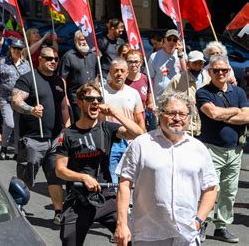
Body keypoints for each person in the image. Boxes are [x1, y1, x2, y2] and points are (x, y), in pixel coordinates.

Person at [115, 92, 219, 246]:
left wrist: (198, 221)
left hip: (187, 234)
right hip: (148, 234)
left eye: (182, 114)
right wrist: (122, 224)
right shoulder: (141, 144)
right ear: (159, 115)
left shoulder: (198, 148)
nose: (177, 118)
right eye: (171, 113)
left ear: (189, 118)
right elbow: (124, 183)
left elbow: (211, 188)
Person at [56, 82, 144, 246]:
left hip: (107, 197)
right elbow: (60, 170)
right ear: (80, 102)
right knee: (69, 241)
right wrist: (82, 177)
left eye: (98, 99)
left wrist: (115, 113)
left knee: (131, 237)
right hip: (79, 198)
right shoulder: (68, 134)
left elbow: (139, 134)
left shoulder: (106, 128)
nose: (95, 102)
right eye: (90, 99)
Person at [11, 46, 70, 225]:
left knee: (55, 177)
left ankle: (59, 212)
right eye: (49, 58)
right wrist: (31, 109)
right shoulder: (28, 79)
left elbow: (64, 107)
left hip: (55, 139)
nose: (53, 62)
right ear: (40, 60)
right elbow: (15, 101)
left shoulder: (60, 81)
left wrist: (67, 130)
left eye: (55, 59)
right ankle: (16, 210)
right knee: (26, 177)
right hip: (33, 139)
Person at [195, 55, 249, 243]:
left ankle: (221, 226)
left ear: (229, 71)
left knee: (229, 191)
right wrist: (236, 110)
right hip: (211, 149)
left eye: (224, 70)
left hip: (235, 151)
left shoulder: (239, 92)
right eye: (216, 70)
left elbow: (247, 116)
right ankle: (201, 224)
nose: (220, 73)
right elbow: (213, 113)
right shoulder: (203, 92)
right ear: (209, 72)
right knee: (210, 189)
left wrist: (224, 115)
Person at [103, 58, 146, 184]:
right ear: (110, 72)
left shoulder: (133, 93)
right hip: (109, 142)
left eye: (122, 71)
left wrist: (142, 140)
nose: (119, 74)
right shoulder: (101, 92)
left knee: (129, 177)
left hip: (130, 141)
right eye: (116, 70)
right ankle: (116, 202)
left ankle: (127, 203)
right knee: (112, 178)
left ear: (127, 73)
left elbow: (139, 119)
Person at [0, 39, 31, 160]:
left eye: (19, 49)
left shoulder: (26, 64)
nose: (16, 50)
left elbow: (30, 82)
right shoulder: (3, 62)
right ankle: (4, 146)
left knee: (19, 126)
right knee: (9, 124)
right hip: (6, 98)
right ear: (10, 48)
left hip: (21, 100)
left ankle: (17, 151)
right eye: (14, 48)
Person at [164, 51, 210, 137]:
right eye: (194, 63)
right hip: (186, 125)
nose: (197, 65)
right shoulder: (178, 79)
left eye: (200, 63)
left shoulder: (208, 78)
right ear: (188, 63)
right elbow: (166, 99)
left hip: (205, 125)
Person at [59, 30, 100, 124]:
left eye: (87, 39)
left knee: (92, 123)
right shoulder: (68, 56)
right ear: (75, 40)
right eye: (82, 39)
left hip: (92, 97)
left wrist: (98, 94)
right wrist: (65, 98)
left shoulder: (94, 56)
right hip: (76, 99)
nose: (85, 42)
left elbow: (96, 76)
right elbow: (62, 79)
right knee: (80, 122)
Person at [148, 29, 186, 97]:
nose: (171, 42)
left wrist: (180, 54)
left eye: (174, 40)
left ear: (178, 42)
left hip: (177, 97)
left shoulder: (182, 56)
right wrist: (150, 97)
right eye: (169, 39)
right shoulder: (154, 56)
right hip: (160, 98)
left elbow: (186, 73)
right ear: (164, 40)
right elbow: (150, 78)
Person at [124, 50, 156, 131]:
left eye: (136, 61)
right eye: (130, 62)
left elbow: (149, 102)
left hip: (142, 121)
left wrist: (152, 106)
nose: (133, 65)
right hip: (126, 122)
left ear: (141, 62)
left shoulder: (146, 79)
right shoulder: (122, 80)